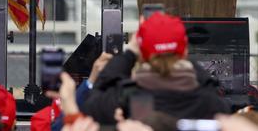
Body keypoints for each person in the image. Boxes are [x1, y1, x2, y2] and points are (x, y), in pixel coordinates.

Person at [82, 12, 230, 125]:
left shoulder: (127, 98)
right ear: (184, 51)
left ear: (142, 53)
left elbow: (94, 102)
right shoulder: (208, 102)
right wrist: (179, 51)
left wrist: (130, 53)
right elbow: (215, 95)